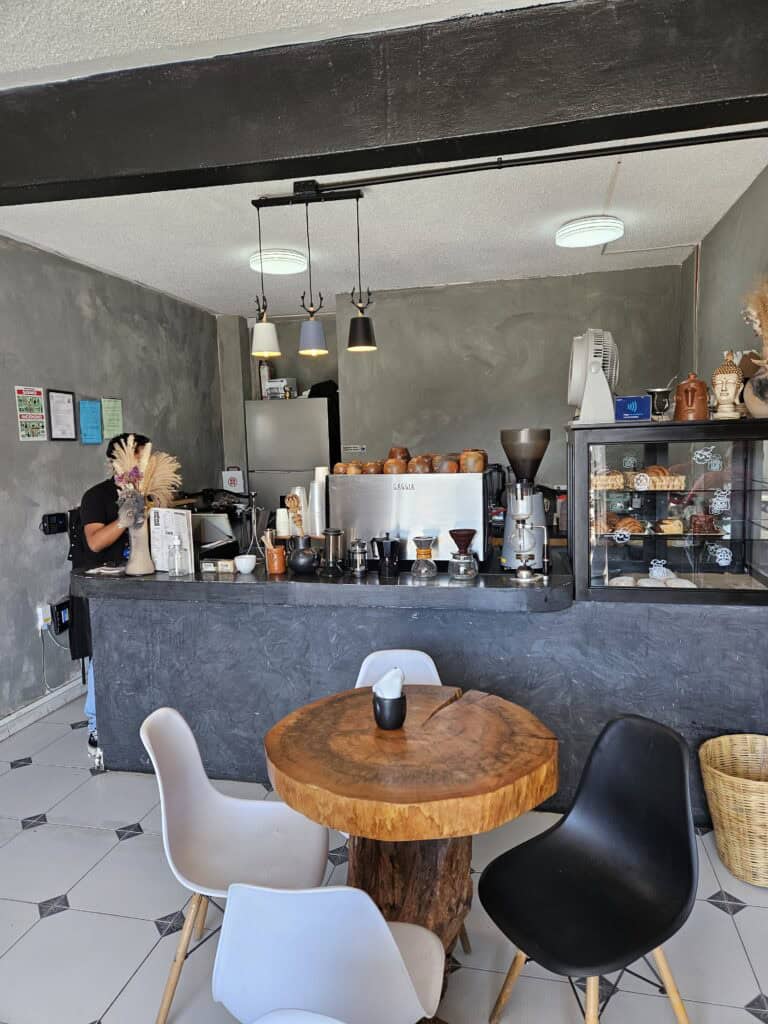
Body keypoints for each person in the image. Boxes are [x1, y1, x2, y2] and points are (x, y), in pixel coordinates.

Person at [70, 432, 150, 766]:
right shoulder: (97, 496)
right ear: (115, 463)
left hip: (137, 582)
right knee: (104, 655)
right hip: (100, 590)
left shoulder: (149, 492)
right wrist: (124, 518)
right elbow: (95, 543)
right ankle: (97, 727)